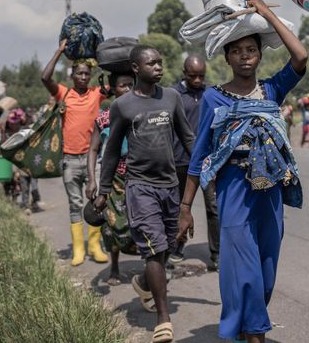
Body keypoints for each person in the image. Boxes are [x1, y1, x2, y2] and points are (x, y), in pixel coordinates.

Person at [177, 0, 308, 343]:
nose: (245, 56)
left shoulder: (271, 90)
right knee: (244, 271)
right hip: (233, 190)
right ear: (227, 57)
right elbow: (200, 154)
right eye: (237, 51)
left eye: (251, 49)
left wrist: (266, 15)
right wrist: (186, 208)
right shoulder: (213, 98)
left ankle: (250, 326)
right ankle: (254, 334)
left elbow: (300, 57)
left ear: (260, 54)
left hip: (270, 194)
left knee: (265, 271)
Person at [95, 45, 195, 343]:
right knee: (152, 248)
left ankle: (143, 280)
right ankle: (163, 319)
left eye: (161, 63)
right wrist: (102, 191)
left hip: (170, 186)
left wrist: (209, 172)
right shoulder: (123, 106)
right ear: (136, 68)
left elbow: (188, 138)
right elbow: (111, 151)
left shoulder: (171, 97)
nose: (159, 67)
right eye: (152, 63)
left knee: (165, 247)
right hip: (139, 186)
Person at [42, 39, 107, 267]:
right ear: (72, 76)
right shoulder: (64, 94)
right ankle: (78, 249)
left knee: (97, 202)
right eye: (79, 74)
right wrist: (59, 51)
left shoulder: (97, 94)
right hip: (69, 160)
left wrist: (101, 56)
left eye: (86, 74)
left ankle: (95, 245)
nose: (82, 77)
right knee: (75, 204)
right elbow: (45, 77)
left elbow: (116, 81)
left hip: (92, 160)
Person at [168, 55, 220, 269]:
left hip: (207, 162)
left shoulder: (210, 94)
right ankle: (177, 248)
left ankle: (217, 254)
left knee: (214, 208)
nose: (198, 80)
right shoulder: (172, 95)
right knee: (180, 207)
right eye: (193, 76)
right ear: (184, 73)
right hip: (180, 160)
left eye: (201, 76)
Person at [85, 70, 135, 286]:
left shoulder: (142, 111)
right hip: (113, 178)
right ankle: (114, 268)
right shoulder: (104, 117)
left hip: (139, 176)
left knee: (142, 222)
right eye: (124, 85)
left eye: (132, 84)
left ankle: (151, 270)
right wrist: (92, 179)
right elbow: (93, 149)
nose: (128, 89)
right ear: (113, 89)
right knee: (111, 224)